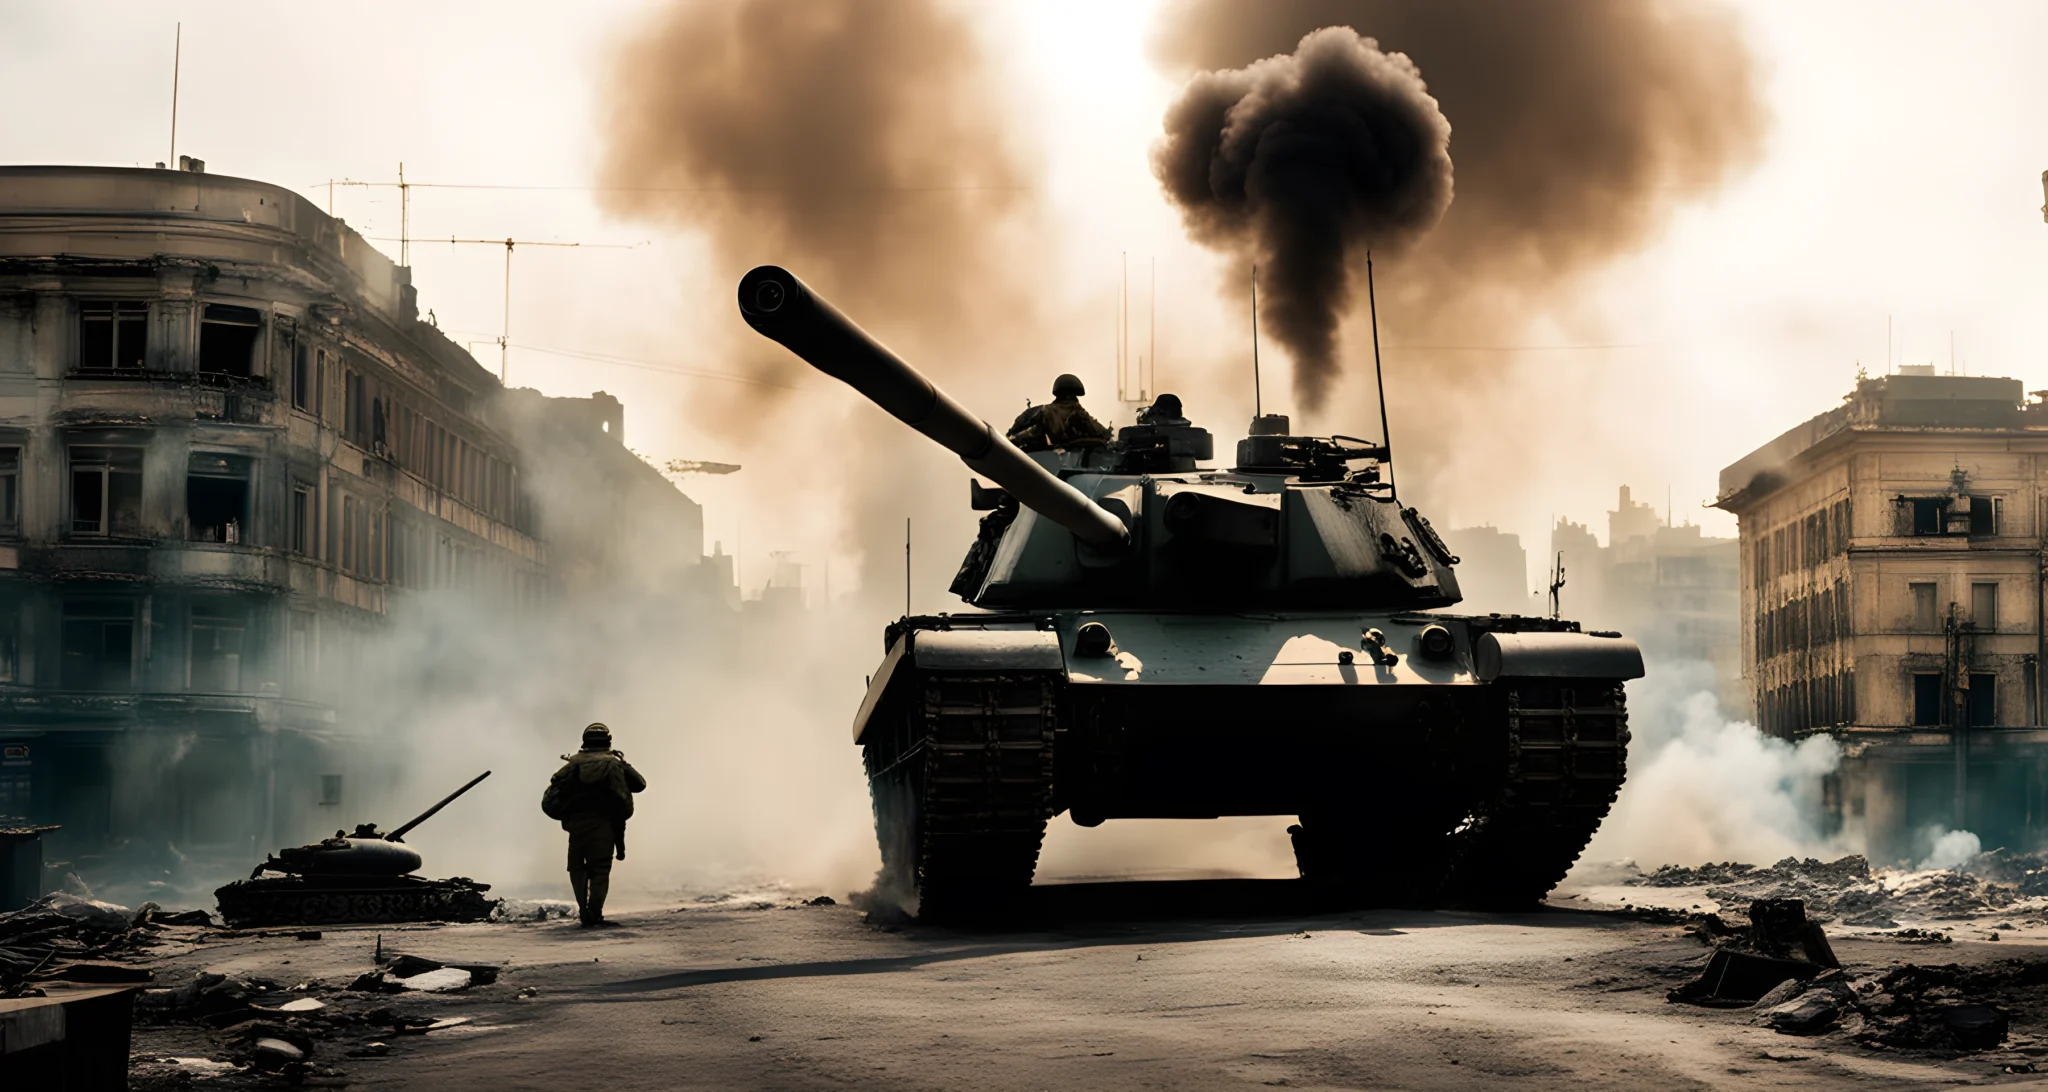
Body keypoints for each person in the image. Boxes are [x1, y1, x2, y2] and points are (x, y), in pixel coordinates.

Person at [543, 722, 646, 927]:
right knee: (600, 869)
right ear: (607, 741)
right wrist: (624, 764)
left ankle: (584, 910)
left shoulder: (573, 764)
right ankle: (595, 913)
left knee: (577, 868)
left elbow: (553, 794)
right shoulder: (614, 764)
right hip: (605, 824)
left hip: (577, 824)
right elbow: (639, 785)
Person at [1006, 373, 1110, 451]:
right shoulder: (1075, 412)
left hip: (1070, 457)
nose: (1071, 400)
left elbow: (1024, 427)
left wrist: (1012, 438)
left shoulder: (1045, 411)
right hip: (1064, 457)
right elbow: (1102, 433)